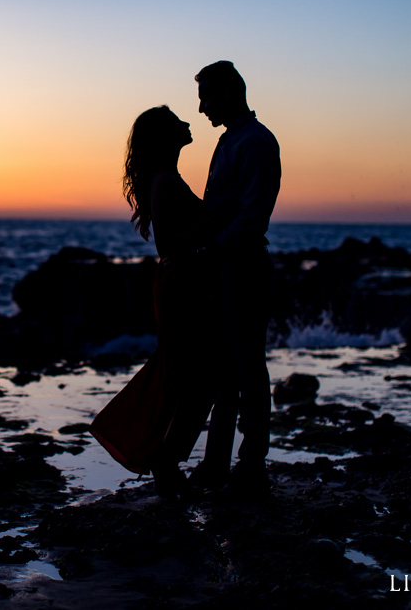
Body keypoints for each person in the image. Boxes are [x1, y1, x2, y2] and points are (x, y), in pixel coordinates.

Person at [89, 105, 225, 499]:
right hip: (181, 286)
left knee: (189, 375)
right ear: (165, 137)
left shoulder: (168, 178)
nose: (187, 123)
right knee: (195, 377)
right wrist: (219, 221)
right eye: (177, 122)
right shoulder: (165, 181)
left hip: (181, 283)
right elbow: (171, 242)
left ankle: (165, 460)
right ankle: (165, 461)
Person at [190, 61, 281, 493]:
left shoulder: (256, 142)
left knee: (247, 367)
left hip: (243, 268)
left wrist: (215, 246)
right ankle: (216, 462)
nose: (203, 108)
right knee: (226, 368)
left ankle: (251, 462)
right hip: (225, 265)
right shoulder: (231, 141)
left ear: (229, 92)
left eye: (207, 97)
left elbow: (253, 215)